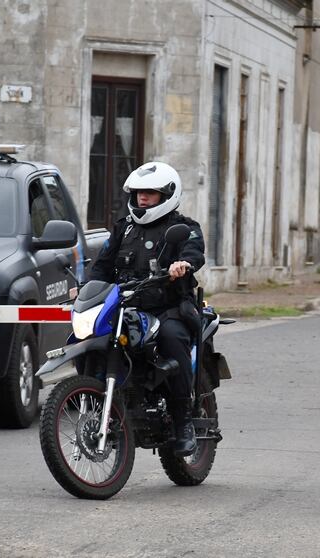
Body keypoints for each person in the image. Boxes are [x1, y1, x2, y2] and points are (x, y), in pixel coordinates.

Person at [88, 161, 205, 456]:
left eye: (150, 194)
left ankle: (184, 423)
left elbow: (194, 251)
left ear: (166, 195)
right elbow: (101, 266)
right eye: (139, 193)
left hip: (168, 307)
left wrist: (184, 264)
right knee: (92, 337)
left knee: (171, 339)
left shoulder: (183, 228)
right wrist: (84, 287)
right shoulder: (124, 228)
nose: (142, 199)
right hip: (126, 307)